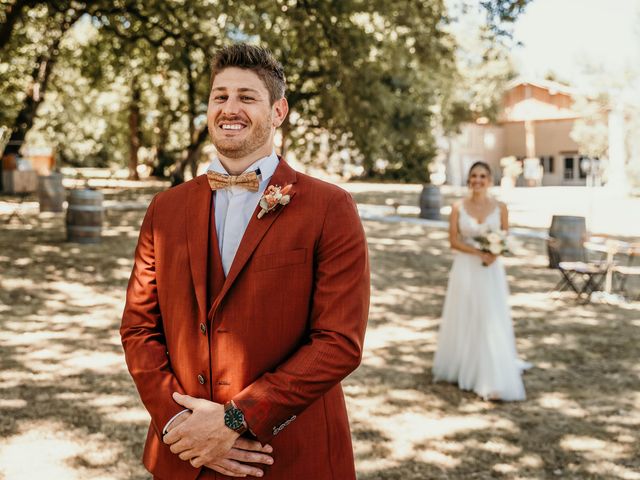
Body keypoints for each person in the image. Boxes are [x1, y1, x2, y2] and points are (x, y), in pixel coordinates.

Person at [120, 43, 370, 480]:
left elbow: (338, 342)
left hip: (287, 456)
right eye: (220, 96)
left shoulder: (331, 207)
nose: (229, 108)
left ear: (278, 111)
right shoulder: (165, 208)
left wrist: (235, 420)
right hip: (185, 455)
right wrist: (180, 423)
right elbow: (139, 327)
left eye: (246, 97)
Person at [432, 161, 529, 401]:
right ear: (469, 180)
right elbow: (453, 241)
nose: (477, 180)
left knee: (490, 316)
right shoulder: (457, 207)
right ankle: (462, 366)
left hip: (491, 271)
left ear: (490, 180)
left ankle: (490, 373)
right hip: (465, 268)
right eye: (473, 176)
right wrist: (478, 253)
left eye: (482, 176)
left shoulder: (501, 207)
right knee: (465, 314)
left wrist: (494, 253)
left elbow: (505, 236)